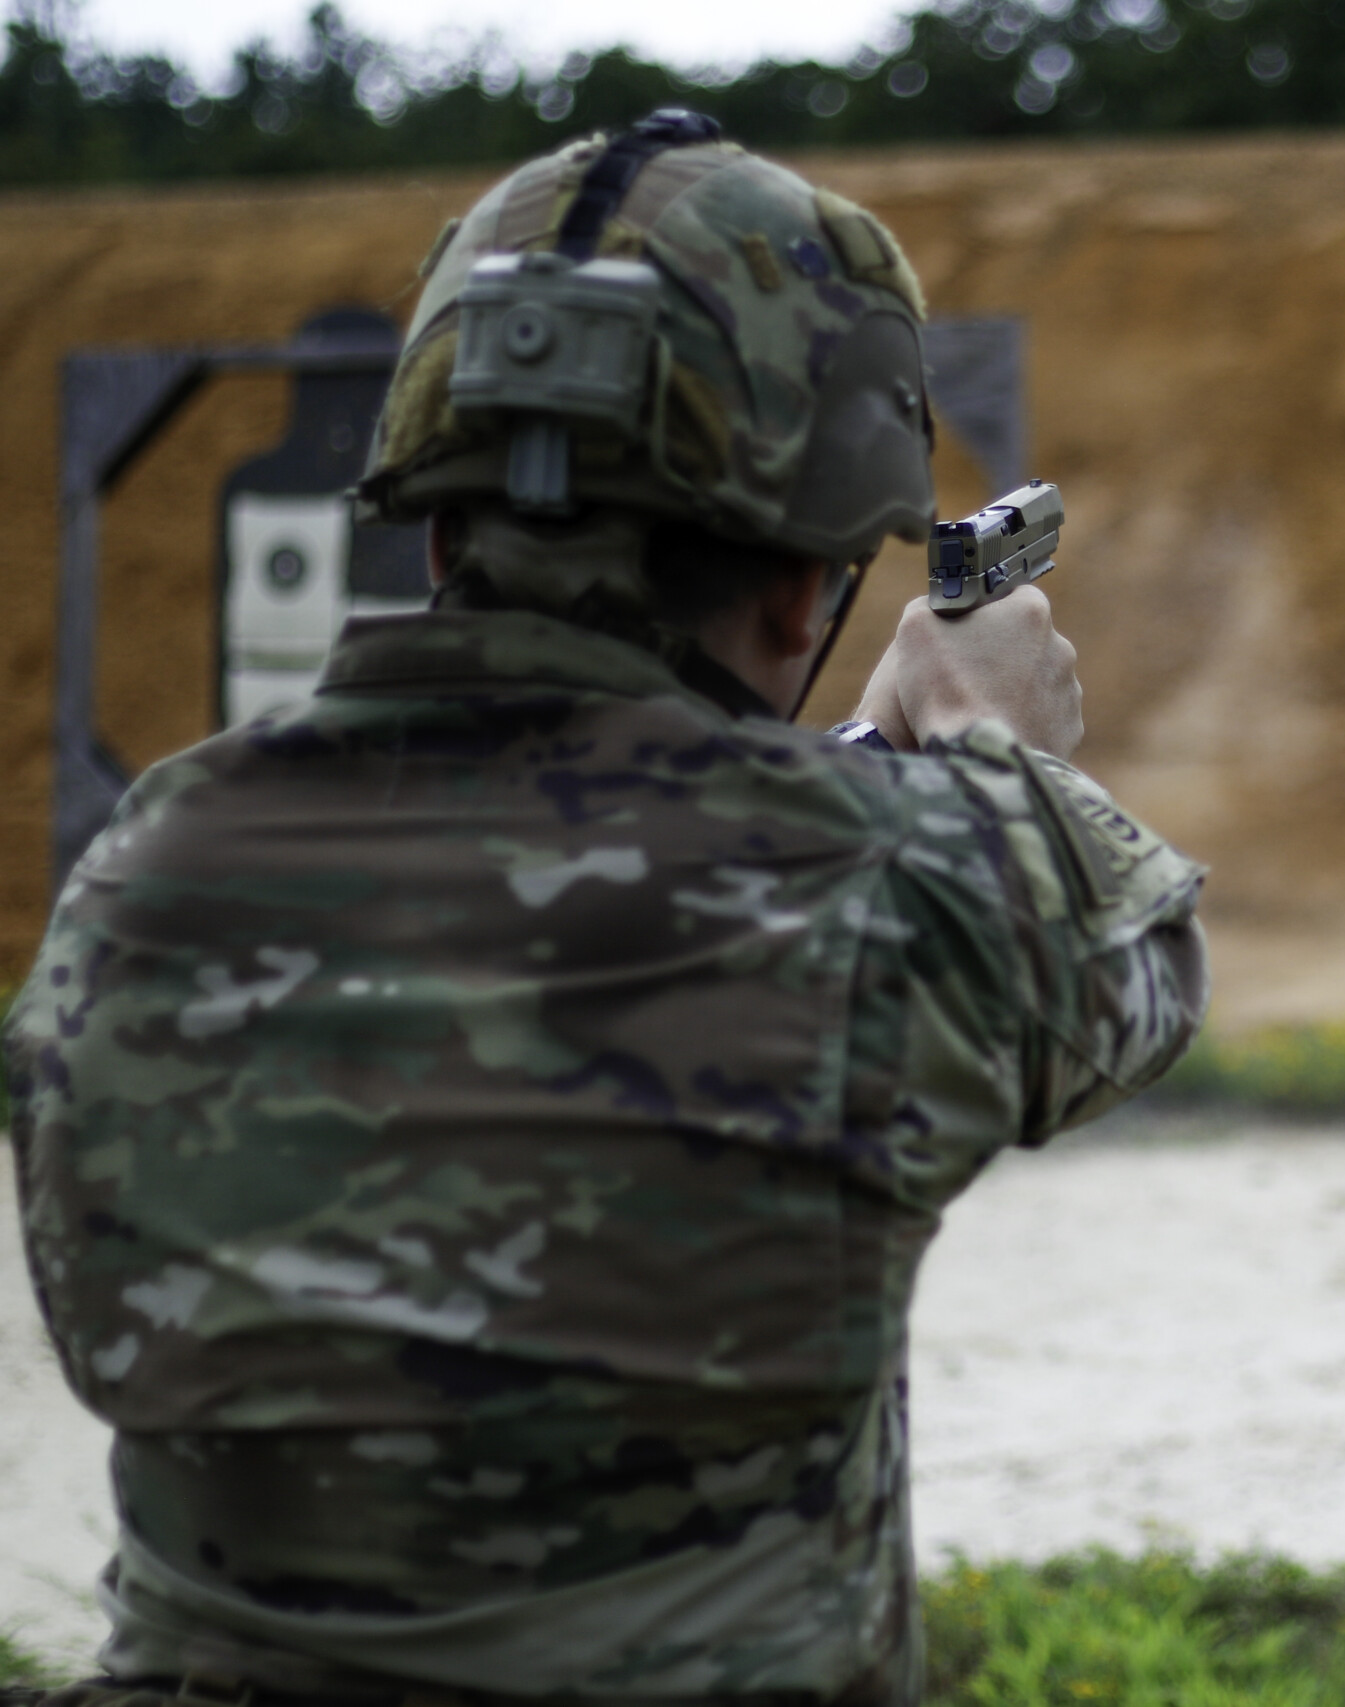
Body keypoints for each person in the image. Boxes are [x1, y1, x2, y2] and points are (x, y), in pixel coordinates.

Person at [4, 113, 1207, 1707]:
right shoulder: (891, 890)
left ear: (436, 527)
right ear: (802, 587)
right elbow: (1134, 959)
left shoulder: (137, 872)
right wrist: (984, 740)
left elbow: (545, 868)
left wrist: (851, 774)